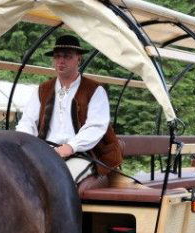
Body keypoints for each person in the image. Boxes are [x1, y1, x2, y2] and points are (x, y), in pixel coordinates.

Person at [16, 34, 122, 193]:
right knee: (18, 178)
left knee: (60, 181)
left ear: (78, 59)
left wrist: (71, 146)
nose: (61, 61)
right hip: (46, 153)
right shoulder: (42, 90)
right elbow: (27, 122)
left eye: (67, 56)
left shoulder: (94, 90)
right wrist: (23, 144)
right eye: (57, 56)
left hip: (83, 154)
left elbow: (96, 126)